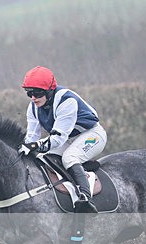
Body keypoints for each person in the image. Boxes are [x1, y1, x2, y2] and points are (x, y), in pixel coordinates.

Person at [19, 66, 107, 213]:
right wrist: (23, 147)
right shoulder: (33, 108)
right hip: (68, 139)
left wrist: (34, 145)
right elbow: (31, 137)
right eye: (29, 93)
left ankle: (85, 198)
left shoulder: (66, 101)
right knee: (42, 157)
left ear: (49, 91)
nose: (33, 98)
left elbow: (58, 139)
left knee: (69, 157)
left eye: (37, 93)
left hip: (92, 134)